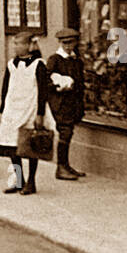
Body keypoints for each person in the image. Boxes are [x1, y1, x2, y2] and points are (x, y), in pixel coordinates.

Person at [0, 30, 55, 196]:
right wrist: (3, 108)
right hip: (13, 110)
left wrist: (40, 114)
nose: (16, 47)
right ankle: (19, 179)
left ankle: (31, 182)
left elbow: (43, 91)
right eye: (15, 44)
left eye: (19, 44)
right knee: (12, 147)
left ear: (29, 46)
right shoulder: (11, 65)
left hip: (30, 109)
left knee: (30, 147)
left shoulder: (38, 65)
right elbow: (5, 88)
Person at [45, 27, 86, 180]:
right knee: (65, 132)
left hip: (73, 103)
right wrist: (60, 84)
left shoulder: (76, 60)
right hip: (61, 103)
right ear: (60, 43)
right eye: (65, 43)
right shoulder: (54, 59)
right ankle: (61, 167)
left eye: (71, 43)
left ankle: (66, 165)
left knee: (68, 133)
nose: (68, 46)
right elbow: (46, 81)